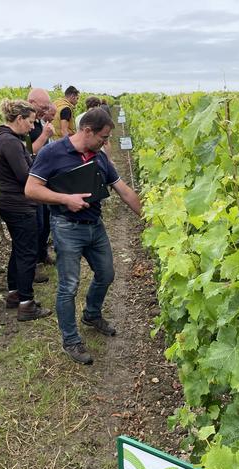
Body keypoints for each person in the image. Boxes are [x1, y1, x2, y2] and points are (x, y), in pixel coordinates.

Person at [25, 108, 141, 365]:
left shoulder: (99, 158)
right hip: (66, 227)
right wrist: (66, 199)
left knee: (106, 274)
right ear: (87, 130)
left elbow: (124, 191)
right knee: (68, 286)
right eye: (103, 137)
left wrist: (149, 220)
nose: (105, 143)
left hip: (94, 226)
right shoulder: (52, 153)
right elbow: (31, 189)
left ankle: (91, 313)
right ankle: (71, 340)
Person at [0, 99, 52, 322]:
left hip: (10, 201)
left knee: (19, 249)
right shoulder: (11, 142)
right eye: (31, 122)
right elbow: (26, 176)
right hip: (20, 205)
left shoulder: (2, 140)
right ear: (19, 119)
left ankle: (14, 294)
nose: (33, 128)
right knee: (26, 254)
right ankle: (26, 304)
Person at [27, 88, 56, 268]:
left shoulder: (38, 122)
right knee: (36, 224)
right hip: (33, 181)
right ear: (32, 103)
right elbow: (27, 152)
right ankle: (34, 263)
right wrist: (45, 135)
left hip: (45, 178)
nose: (45, 111)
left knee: (45, 220)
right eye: (43, 107)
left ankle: (42, 254)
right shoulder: (25, 125)